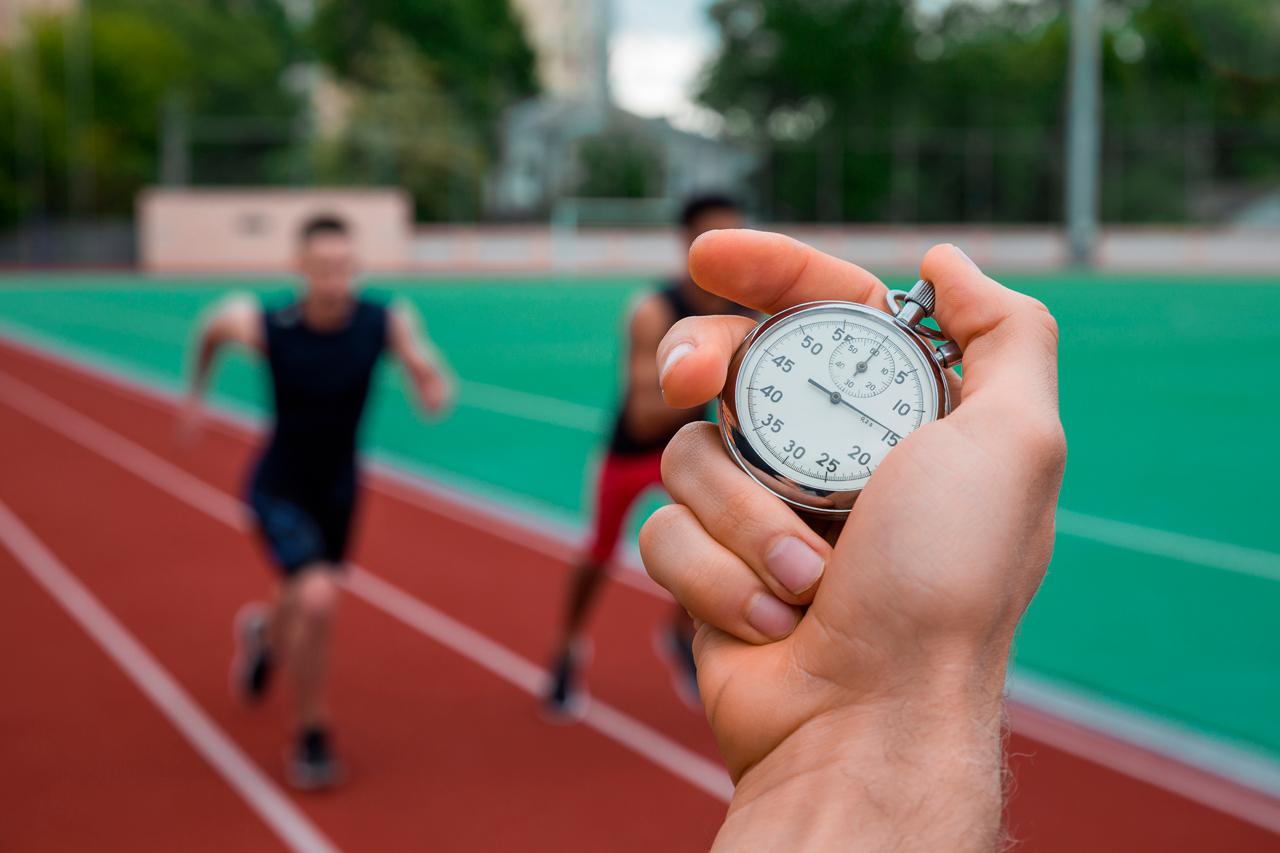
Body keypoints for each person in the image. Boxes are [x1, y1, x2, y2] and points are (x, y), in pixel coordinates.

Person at [640, 233, 1065, 850]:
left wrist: (892, 703)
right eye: (833, 389)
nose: (839, 394)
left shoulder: (938, 409)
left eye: (849, 396)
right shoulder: (808, 341)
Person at [180, 214, 454, 788]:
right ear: (300, 268)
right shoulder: (268, 325)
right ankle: (311, 735)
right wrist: (195, 398)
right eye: (323, 266)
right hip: (279, 484)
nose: (336, 278)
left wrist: (429, 381)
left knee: (298, 599)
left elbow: (420, 356)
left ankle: (262, 636)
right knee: (318, 599)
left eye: (345, 266)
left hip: (339, 488)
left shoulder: (382, 320)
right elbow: (211, 326)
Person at [543, 194, 755, 718]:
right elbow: (642, 412)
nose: (725, 250)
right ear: (688, 244)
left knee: (725, 538)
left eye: (734, 236)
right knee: (598, 552)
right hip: (636, 449)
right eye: (712, 239)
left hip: (699, 448)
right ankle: (568, 645)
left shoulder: (746, 312)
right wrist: (714, 373)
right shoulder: (654, 310)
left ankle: (679, 629)